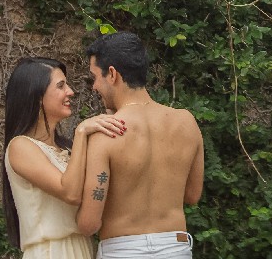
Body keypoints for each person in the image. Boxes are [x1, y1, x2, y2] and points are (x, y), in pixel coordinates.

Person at [75, 32, 204, 258]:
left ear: (112, 74)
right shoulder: (187, 122)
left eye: (95, 77)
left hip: (123, 250)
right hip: (175, 247)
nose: (94, 86)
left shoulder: (105, 133)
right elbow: (192, 195)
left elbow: (89, 224)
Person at [3, 56, 129, 258]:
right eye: (61, 86)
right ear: (37, 96)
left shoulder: (67, 149)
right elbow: (70, 193)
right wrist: (81, 132)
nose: (70, 91)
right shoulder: (20, 147)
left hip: (83, 249)